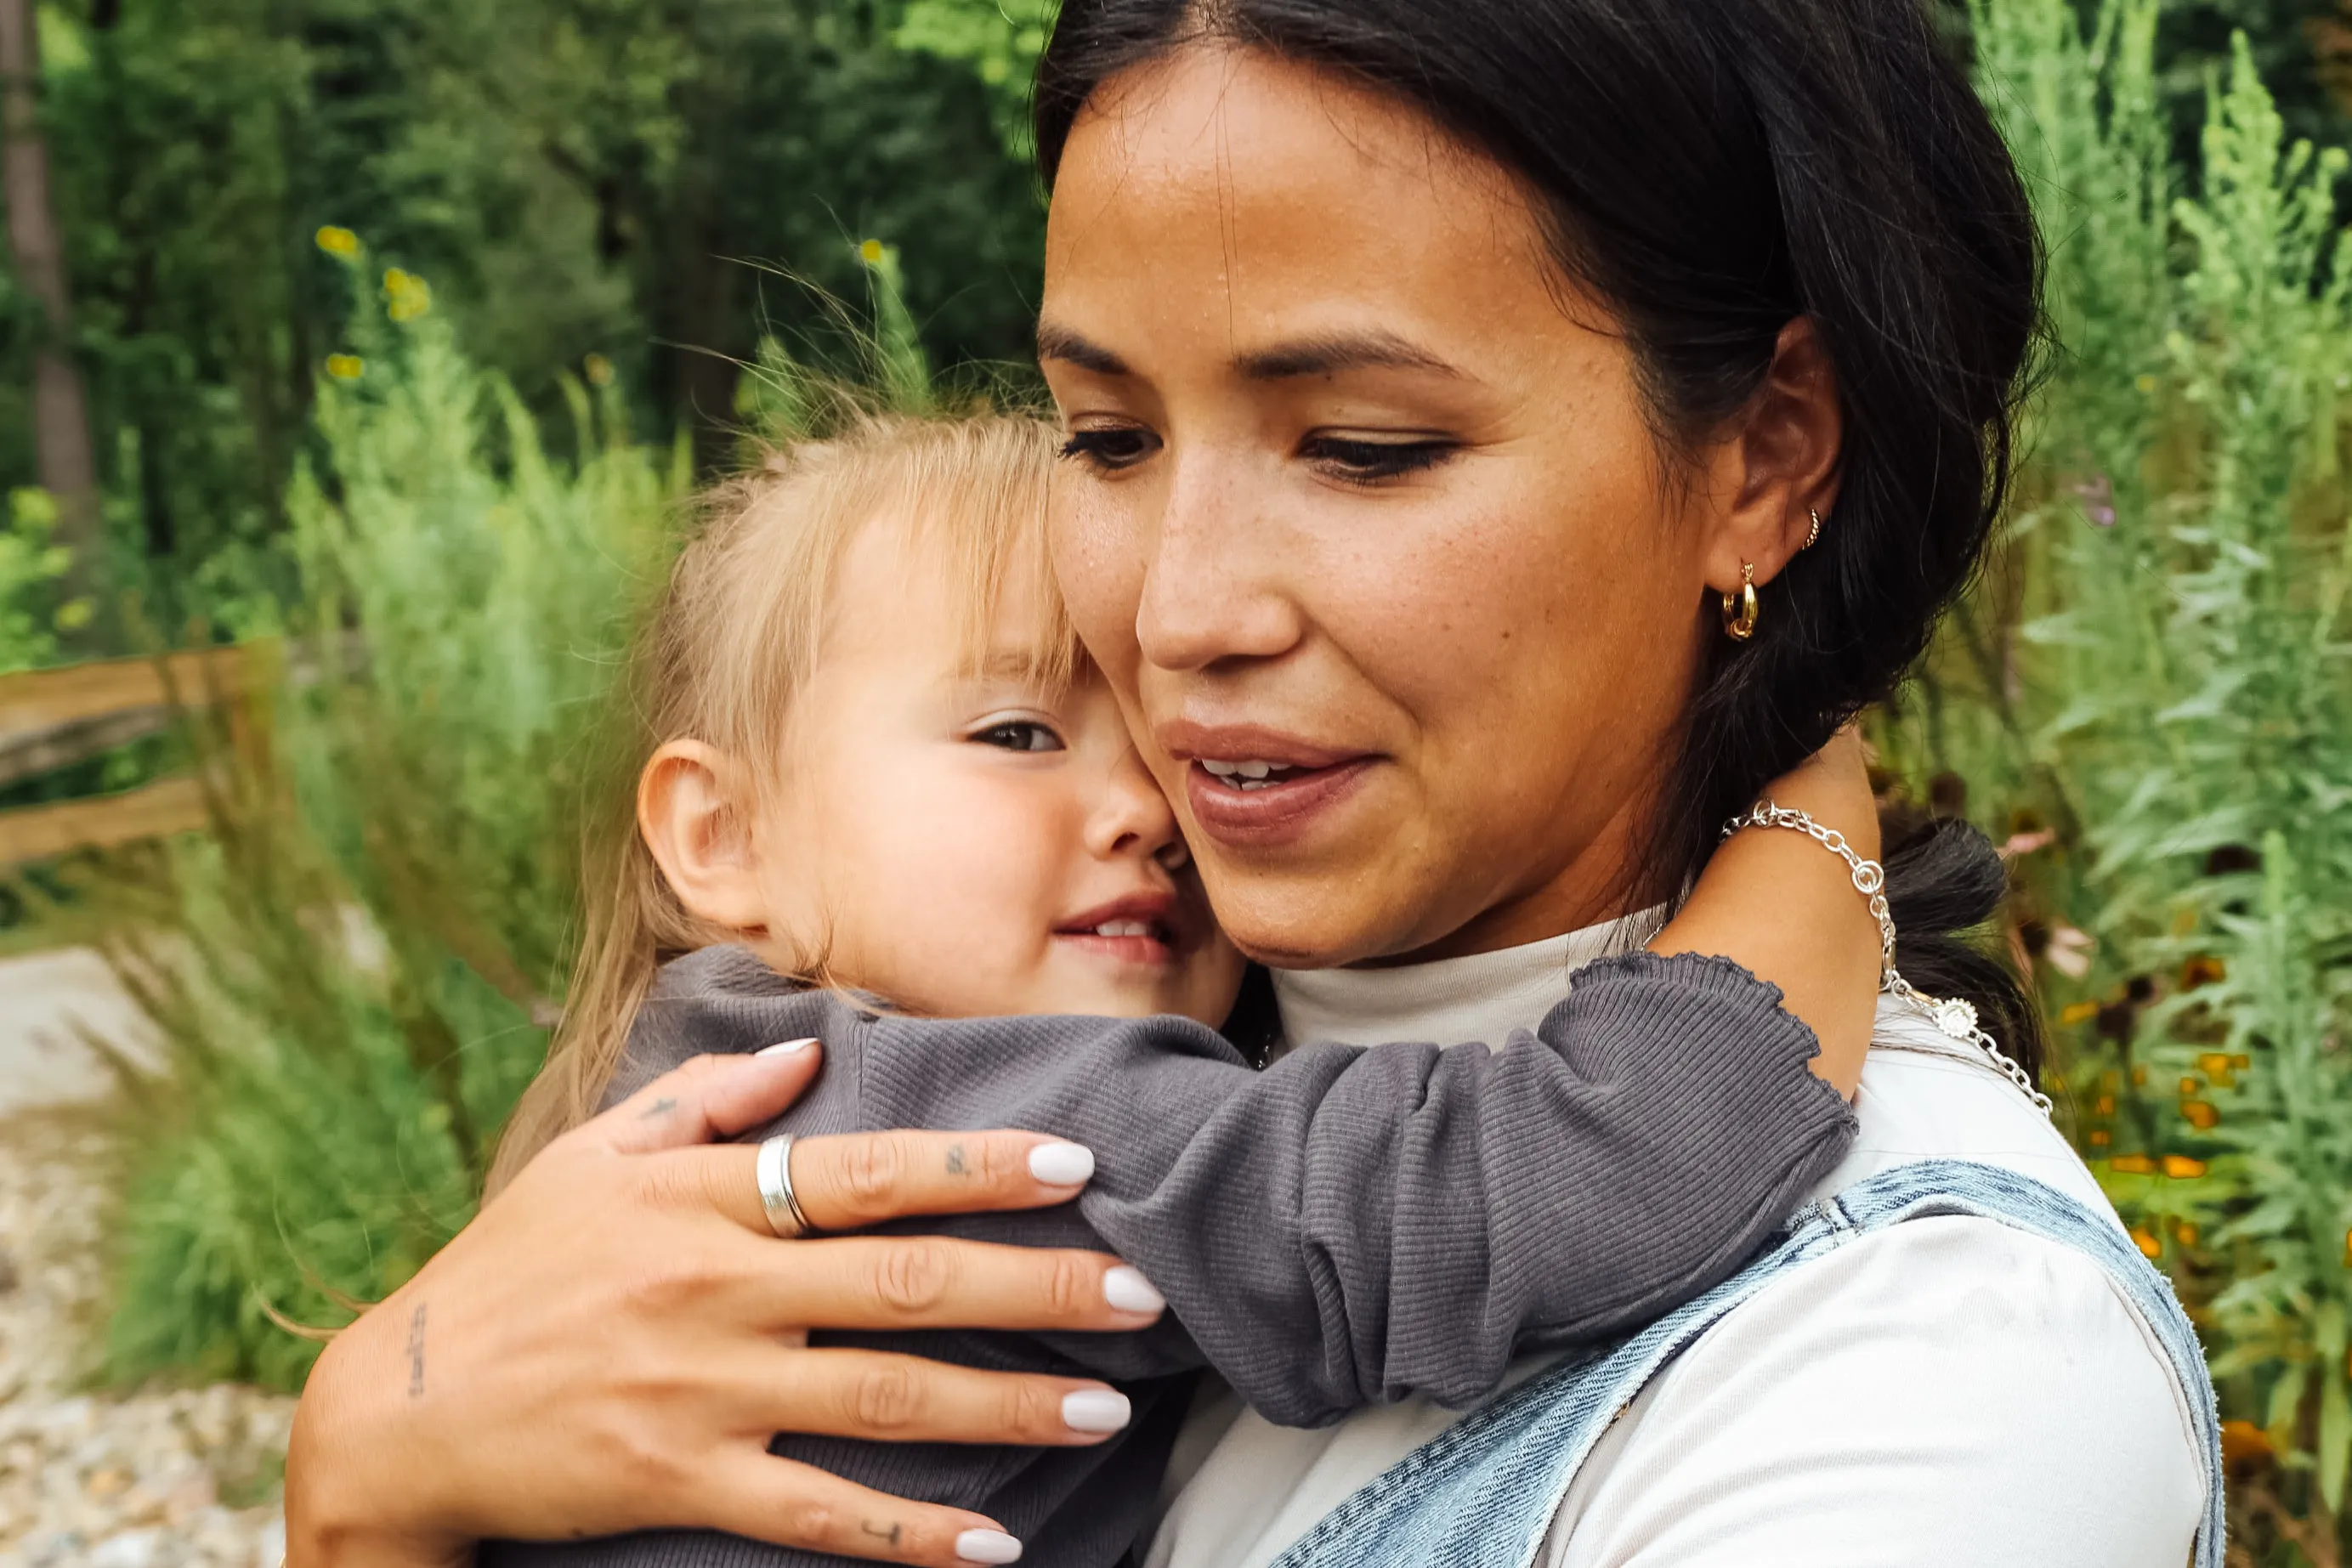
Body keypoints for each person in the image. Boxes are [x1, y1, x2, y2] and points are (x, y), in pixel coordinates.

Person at [283, 3, 2220, 1565]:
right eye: (1107, 436)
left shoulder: (1934, 1382)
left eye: (1364, 447)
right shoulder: (1061, 1052)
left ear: (1770, 453)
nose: (1179, 615)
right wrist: (372, 1465)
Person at [482, 405, 1881, 1566]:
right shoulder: (959, 1118)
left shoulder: (701, 1087)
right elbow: (1567, 1182)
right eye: (1018, 731)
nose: (1145, 812)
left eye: (1169, 751)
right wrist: (1811, 804)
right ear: (728, 837)